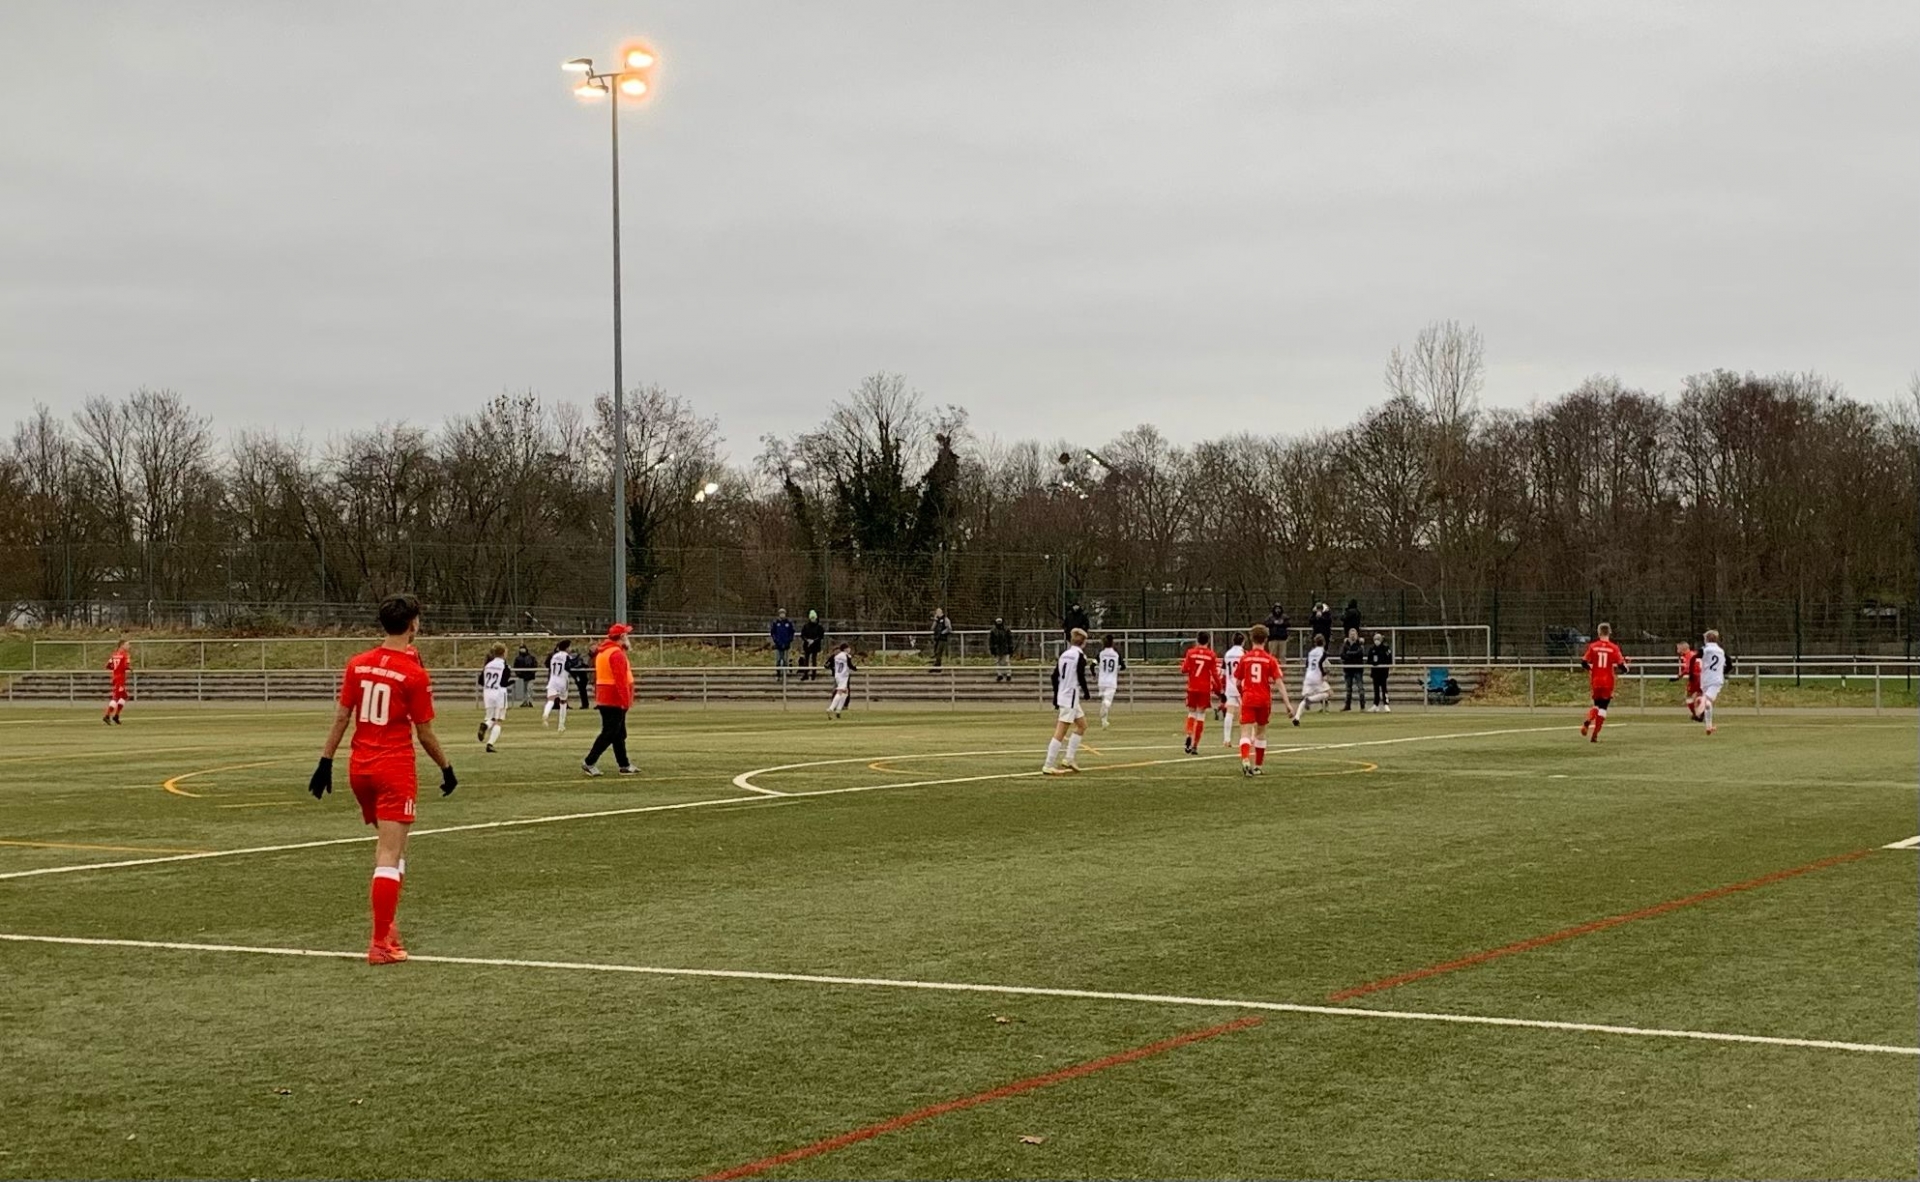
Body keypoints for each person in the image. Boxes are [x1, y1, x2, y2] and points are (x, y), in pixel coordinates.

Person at [307, 594, 456, 965]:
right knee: (390, 854)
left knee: (392, 849)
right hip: (393, 768)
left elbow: (342, 717)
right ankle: (379, 944)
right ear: (414, 624)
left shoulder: (357, 664)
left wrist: (325, 761)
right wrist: (447, 768)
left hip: (360, 768)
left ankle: (389, 929)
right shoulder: (414, 675)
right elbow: (425, 733)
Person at [1233, 624, 1292, 775]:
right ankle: (1258, 766)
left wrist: (1242, 694)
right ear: (1265, 640)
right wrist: (1287, 704)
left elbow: (1238, 682)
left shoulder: (1245, 658)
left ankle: (1245, 760)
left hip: (1249, 697)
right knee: (1260, 732)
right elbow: (1279, 683)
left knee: (1245, 732)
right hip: (1264, 699)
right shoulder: (1270, 660)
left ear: (1251, 639)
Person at [582, 623, 637, 776]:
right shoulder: (616, 654)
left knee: (618, 733)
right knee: (610, 733)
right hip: (614, 698)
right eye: (626, 635)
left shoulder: (604, 652)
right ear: (622, 637)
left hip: (605, 697)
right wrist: (625, 700)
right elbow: (620, 680)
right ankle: (589, 761)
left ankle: (624, 764)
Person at [1041, 628, 1090, 775]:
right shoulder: (1080, 656)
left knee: (1082, 725)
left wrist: (1056, 696)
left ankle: (1069, 759)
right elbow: (1080, 676)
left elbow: (1054, 676)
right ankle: (1048, 764)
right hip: (1070, 696)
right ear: (1083, 642)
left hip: (1064, 695)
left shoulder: (1064, 654)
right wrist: (1086, 691)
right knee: (1061, 731)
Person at [1578, 622, 1629, 742]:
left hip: (1596, 680)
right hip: (1608, 681)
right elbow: (1621, 665)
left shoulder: (1593, 646)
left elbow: (1583, 662)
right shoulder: (1613, 648)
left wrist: (1591, 669)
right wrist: (1626, 669)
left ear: (1598, 633)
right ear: (1609, 632)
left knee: (1596, 705)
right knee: (1603, 708)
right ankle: (1595, 734)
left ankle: (1588, 720)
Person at [1180, 630, 1219, 754]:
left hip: (1192, 687)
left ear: (1197, 640)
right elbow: (1214, 673)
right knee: (1201, 715)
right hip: (1204, 689)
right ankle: (1195, 745)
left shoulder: (1190, 653)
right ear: (1208, 641)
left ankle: (1189, 734)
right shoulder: (1211, 655)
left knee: (1191, 712)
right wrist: (1219, 687)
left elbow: (1184, 669)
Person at [476, 643, 510, 753]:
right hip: (499, 693)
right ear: (504, 653)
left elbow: (481, 681)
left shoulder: (488, 665)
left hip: (488, 693)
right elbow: (504, 682)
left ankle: (485, 725)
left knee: (491, 718)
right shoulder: (504, 666)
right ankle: (490, 744)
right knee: (498, 720)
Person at [1291, 634, 1331, 723]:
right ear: (1324, 643)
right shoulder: (1323, 652)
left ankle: (1297, 717)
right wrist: (1324, 674)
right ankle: (1311, 700)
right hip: (1317, 676)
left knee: (1304, 700)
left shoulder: (1311, 653)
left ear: (1315, 643)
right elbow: (1320, 664)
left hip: (1308, 676)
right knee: (1329, 693)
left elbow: (1307, 665)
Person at [1217, 632, 1246, 744]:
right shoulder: (1244, 654)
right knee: (1245, 713)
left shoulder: (1228, 653)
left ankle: (1226, 739)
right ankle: (1246, 737)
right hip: (1241, 686)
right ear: (1243, 642)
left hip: (1230, 686)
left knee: (1229, 713)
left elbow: (1223, 672)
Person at [1699, 629, 1728, 736]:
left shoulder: (1704, 650)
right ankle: (1709, 726)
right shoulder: (1721, 651)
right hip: (1715, 679)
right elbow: (1724, 664)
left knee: (1707, 702)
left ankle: (1709, 726)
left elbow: (1698, 659)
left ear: (1707, 639)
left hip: (1706, 679)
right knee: (1708, 702)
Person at [1095, 634, 1126, 728]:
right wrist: (1116, 669)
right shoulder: (1116, 654)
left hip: (1101, 681)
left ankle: (1104, 722)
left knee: (1104, 701)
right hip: (1111, 681)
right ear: (1112, 642)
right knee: (1107, 702)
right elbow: (1123, 666)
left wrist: (1093, 674)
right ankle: (1105, 708)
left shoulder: (1101, 654)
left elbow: (1093, 664)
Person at [542, 639, 573, 731]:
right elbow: (569, 667)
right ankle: (561, 725)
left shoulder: (554, 656)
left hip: (553, 680)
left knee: (550, 700)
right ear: (567, 648)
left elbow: (548, 664)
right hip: (562, 680)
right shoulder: (567, 656)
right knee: (563, 702)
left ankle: (546, 713)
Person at [1674, 640, 1704, 723]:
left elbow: (1688, 668)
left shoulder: (1688, 655)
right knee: (1698, 696)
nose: (1677, 651)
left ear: (1682, 648)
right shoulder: (1694, 653)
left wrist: (1680, 675)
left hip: (1695, 677)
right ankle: (1700, 713)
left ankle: (1697, 714)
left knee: (1689, 697)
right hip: (1703, 677)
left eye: (1678, 648)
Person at [103, 638, 131, 725]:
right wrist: (128, 668)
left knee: (124, 696)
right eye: (127, 644)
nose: (129, 646)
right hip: (120, 679)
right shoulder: (125, 655)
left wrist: (116, 669)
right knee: (116, 697)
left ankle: (116, 716)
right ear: (122, 645)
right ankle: (107, 715)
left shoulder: (114, 654)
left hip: (115, 677)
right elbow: (125, 666)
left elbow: (108, 666)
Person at [827, 642, 856, 718]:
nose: (849, 649)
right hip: (843, 676)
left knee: (845, 692)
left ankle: (838, 710)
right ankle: (831, 708)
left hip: (838, 675)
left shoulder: (836, 656)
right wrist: (855, 668)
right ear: (845, 649)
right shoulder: (846, 656)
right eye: (848, 648)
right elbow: (850, 665)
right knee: (840, 692)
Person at [1340, 628, 1367, 711]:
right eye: (1351, 634)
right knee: (1348, 689)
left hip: (1357, 669)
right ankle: (1347, 706)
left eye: (1354, 634)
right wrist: (1353, 655)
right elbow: (1342, 655)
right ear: (1348, 635)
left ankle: (1362, 706)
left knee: (1360, 688)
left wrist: (1349, 654)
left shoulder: (1360, 644)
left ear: (1357, 635)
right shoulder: (1345, 645)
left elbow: (1360, 654)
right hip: (1348, 669)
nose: (1352, 636)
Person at [1367, 632, 1393, 712]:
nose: (1376, 641)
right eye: (1375, 639)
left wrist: (1382, 663)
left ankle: (1386, 704)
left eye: (1378, 639)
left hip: (1383, 672)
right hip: (1375, 672)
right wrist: (1374, 663)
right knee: (1376, 689)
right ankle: (1376, 704)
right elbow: (1369, 660)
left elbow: (1389, 660)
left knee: (1384, 689)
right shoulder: (1372, 649)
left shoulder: (1386, 648)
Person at [799, 610, 826, 681]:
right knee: (806, 660)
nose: (813, 619)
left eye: (814, 618)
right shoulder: (806, 626)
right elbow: (802, 635)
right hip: (807, 645)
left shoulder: (819, 627)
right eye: (811, 618)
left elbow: (821, 636)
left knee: (814, 660)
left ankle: (814, 674)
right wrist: (807, 640)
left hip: (815, 645)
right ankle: (805, 674)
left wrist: (814, 641)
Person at [770, 609, 795, 678]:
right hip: (778, 645)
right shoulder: (776, 623)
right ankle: (778, 674)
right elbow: (773, 633)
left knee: (785, 660)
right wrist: (776, 640)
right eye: (781, 613)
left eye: (783, 613)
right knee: (778, 660)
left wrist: (789, 640)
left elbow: (792, 633)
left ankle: (785, 674)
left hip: (786, 644)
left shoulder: (788, 623)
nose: (782, 614)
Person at [568, 643, 592, 709]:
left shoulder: (571, 659)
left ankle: (585, 704)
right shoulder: (578, 658)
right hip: (580, 674)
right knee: (582, 690)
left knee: (582, 690)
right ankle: (585, 704)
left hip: (578, 674)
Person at [929, 608, 952, 672]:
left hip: (942, 639)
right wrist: (935, 620)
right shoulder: (937, 620)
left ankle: (937, 667)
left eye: (937, 612)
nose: (936, 614)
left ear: (940, 612)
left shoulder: (945, 619)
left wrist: (942, 633)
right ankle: (937, 667)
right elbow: (932, 628)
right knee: (936, 653)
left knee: (938, 653)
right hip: (937, 639)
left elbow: (949, 628)